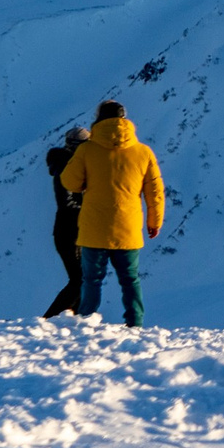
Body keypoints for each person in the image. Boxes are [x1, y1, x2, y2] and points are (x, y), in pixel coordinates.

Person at [57, 100, 165, 328]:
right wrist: (154, 222)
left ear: (99, 120)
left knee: (92, 280)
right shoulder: (143, 153)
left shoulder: (87, 150)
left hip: (94, 228)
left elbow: (69, 182)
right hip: (128, 229)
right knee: (130, 280)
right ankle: (135, 324)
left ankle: (86, 322)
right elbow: (155, 192)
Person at [43, 127, 87, 317]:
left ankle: (73, 319)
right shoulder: (66, 167)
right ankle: (51, 319)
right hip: (70, 232)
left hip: (69, 231)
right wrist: (89, 210)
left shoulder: (66, 164)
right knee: (80, 280)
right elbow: (67, 203)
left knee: (81, 279)